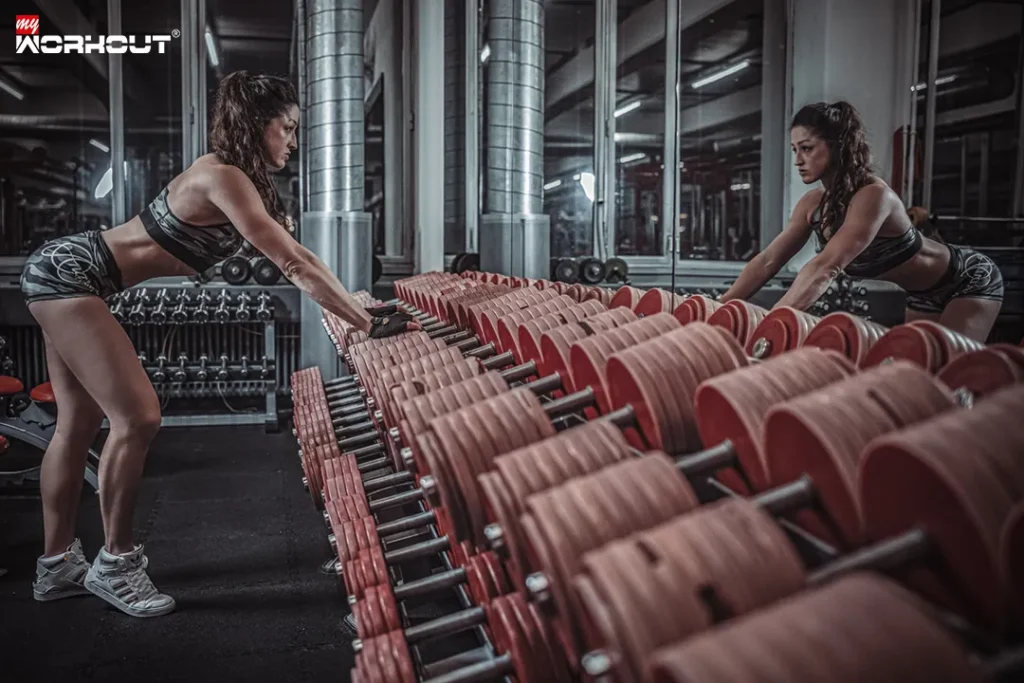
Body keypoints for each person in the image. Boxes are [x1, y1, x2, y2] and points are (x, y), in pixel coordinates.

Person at [19, 71, 419, 618]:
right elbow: (293, 265)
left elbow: (300, 253)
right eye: (287, 128)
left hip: (69, 272)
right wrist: (364, 324)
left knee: (77, 423)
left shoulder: (237, 179)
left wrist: (360, 306)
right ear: (259, 126)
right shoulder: (223, 175)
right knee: (137, 418)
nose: (293, 142)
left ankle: (57, 565)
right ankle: (115, 564)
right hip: (73, 275)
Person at [719, 101, 1003, 342]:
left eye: (806, 148)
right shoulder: (813, 204)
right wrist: (720, 307)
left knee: (952, 376)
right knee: (916, 378)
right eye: (795, 150)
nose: (798, 160)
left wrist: (772, 323)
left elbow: (825, 267)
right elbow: (769, 260)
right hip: (922, 292)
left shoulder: (873, 196)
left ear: (837, 146)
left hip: (966, 279)